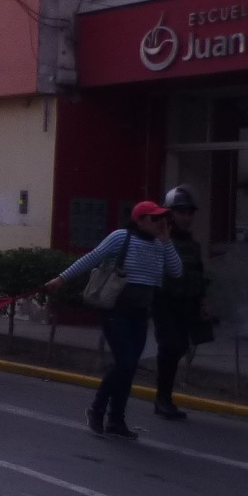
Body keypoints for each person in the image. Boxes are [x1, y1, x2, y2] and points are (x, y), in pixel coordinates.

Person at [44, 201, 183, 440]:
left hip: (140, 313)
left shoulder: (160, 245)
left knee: (128, 368)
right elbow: (92, 257)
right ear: (140, 220)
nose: (160, 222)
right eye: (154, 218)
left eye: (162, 218)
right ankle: (97, 409)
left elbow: (177, 271)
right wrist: (61, 279)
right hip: (116, 310)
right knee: (126, 362)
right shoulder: (121, 237)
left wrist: (167, 242)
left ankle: (116, 419)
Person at [153, 186, 208, 421]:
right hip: (165, 303)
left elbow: (199, 272)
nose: (186, 217)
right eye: (181, 212)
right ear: (169, 213)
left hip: (188, 303)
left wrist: (204, 302)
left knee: (181, 347)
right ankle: (162, 398)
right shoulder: (160, 240)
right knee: (171, 346)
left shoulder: (193, 245)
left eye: (189, 213)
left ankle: (164, 397)